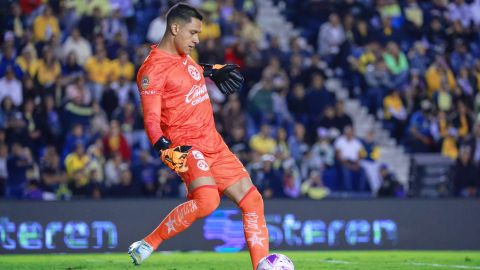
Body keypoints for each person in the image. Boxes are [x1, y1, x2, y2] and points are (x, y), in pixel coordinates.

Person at [128, 4, 269, 270]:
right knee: (207, 201)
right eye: (193, 33)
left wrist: (211, 69)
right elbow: (150, 119)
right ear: (175, 28)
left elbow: (186, 71)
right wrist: (162, 147)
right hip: (186, 146)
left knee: (252, 200)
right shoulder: (151, 70)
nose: (197, 39)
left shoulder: (184, 55)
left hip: (214, 142)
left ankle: (262, 266)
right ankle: (148, 243)